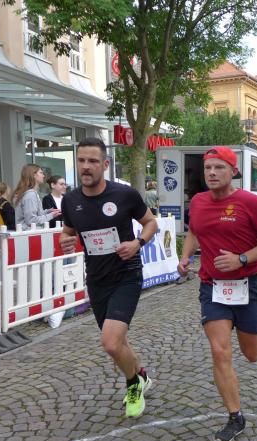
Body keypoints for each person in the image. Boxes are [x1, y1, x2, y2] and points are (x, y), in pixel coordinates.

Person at [177, 146, 257, 441]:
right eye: (208, 168)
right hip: (213, 287)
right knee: (219, 351)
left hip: (248, 285)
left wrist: (242, 259)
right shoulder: (198, 202)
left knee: (252, 354)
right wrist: (185, 257)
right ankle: (235, 417)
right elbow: (194, 232)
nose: (212, 173)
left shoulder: (252, 203)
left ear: (233, 171)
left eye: (219, 167)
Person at [59, 137, 158, 418]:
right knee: (118, 342)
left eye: (92, 161)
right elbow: (68, 232)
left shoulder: (124, 195)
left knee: (111, 342)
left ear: (104, 164)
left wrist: (137, 243)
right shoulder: (71, 200)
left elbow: (150, 222)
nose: (86, 166)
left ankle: (133, 384)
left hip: (126, 274)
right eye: (81, 160)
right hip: (96, 278)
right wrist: (66, 240)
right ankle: (141, 375)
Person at [13, 164, 61, 229]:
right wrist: (51, 215)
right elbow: (31, 221)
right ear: (34, 175)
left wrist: (47, 212)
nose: (43, 176)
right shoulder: (30, 195)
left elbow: (33, 215)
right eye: (41, 173)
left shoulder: (29, 193)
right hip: (29, 233)